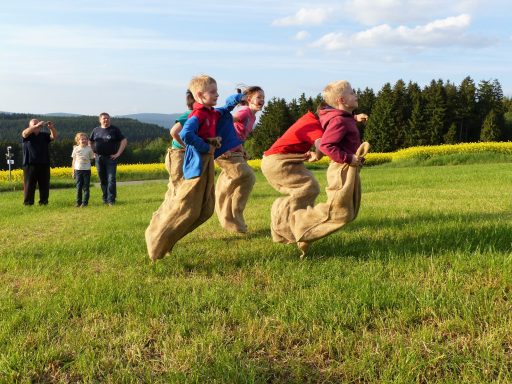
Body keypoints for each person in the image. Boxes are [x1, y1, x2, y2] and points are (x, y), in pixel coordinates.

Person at [145, 74, 242, 262]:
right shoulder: (197, 114)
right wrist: (205, 147)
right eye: (212, 92)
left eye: (216, 91)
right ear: (199, 94)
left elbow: (225, 108)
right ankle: (156, 243)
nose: (217, 94)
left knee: (204, 210)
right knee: (184, 205)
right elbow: (185, 134)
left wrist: (237, 99)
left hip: (203, 159)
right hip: (190, 159)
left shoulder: (211, 112)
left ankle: (167, 241)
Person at [289, 80, 369, 257]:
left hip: (349, 167)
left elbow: (342, 124)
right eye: (352, 92)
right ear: (341, 100)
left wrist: (355, 118)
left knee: (349, 212)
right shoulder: (339, 120)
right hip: (342, 169)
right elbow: (326, 145)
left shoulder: (344, 118)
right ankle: (300, 223)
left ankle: (303, 230)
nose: (356, 94)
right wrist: (349, 158)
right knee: (338, 211)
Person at [260, 110, 326, 244]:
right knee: (308, 188)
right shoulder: (313, 124)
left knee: (310, 187)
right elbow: (321, 144)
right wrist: (318, 155)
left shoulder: (311, 119)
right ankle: (284, 223)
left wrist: (354, 117)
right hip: (278, 162)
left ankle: (291, 227)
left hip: (280, 160)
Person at [215, 86, 265, 233]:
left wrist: (242, 150)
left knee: (242, 178)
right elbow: (226, 120)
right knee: (247, 177)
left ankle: (234, 221)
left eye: (263, 97)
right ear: (249, 100)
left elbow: (239, 134)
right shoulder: (245, 111)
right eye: (259, 97)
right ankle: (233, 221)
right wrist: (222, 146)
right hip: (226, 150)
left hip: (235, 150)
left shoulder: (252, 116)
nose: (262, 100)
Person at [89, 112, 127, 206]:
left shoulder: (114, 130)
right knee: (102, 180)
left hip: (111, 158)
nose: (106, 120)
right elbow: (90, 141)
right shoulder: (96, 130)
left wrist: (118, 153)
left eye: (107, 118)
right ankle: (105, 198)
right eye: (104, 118)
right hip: (98, 158)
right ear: (100, 120)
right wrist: (92, 152)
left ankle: (111, 200)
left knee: (111, 178)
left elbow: (124, 140)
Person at [21, 119, 58, 205]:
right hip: (30, 164)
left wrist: (51, 128)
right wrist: (36, 126)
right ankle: (28, 203)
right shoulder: (27, 135)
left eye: (38, 124)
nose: (37, 125)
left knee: (44, 185)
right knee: (29, 185)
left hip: (44, 163)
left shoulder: (44, 135)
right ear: (30, 126)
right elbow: (24, 133)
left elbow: (54, 137)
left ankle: (44, 202)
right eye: (34, 124)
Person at [71, 132, 94, 207]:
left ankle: (85, 203)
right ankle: (78, 202)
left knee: (86, 187)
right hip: (78, 170)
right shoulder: (76, 149)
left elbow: (91, 158)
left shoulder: (89, 149)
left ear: (87, 140)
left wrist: (85, 160)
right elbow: (74, 160)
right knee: (78, 187)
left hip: (87, 170)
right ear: (78, 140)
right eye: (82, 139)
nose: (83, 140)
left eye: (85, 139)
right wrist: (73, 171)